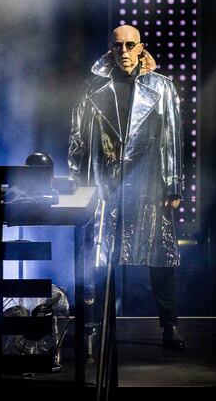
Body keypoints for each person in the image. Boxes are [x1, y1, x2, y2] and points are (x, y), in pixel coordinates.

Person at [68, 25, 185, 350]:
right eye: (118, 45)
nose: (124, 51)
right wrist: (79, 183)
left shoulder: (161, 87)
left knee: (161, 254)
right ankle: (94, 326)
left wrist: (173, 184)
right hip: (105, 184)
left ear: (140, 48)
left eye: (130, 45)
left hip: (148, 182)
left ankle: (169, 325)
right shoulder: (92, 87)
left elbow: (172, 136)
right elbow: (77, 139)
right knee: (97, 256)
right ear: (111, 49)